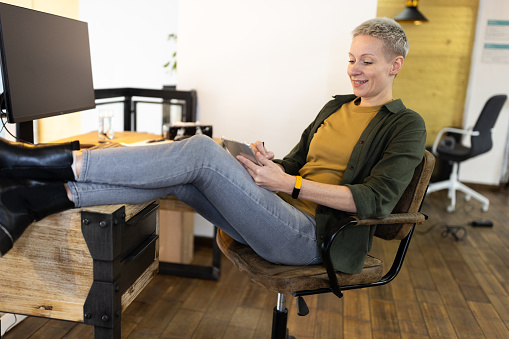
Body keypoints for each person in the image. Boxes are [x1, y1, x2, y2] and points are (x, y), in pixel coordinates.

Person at [0, 17, 426, 274]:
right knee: (186, 176)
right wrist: (270, 164)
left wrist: (288, 185)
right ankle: (35, 202)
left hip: (315, 240)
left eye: (366, 62)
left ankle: (39, 162)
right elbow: (299, 163)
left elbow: (374, 202)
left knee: (201, 150)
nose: (354, 69)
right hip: (280, 214)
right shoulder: (335, 106)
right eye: (351, 59)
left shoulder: (406, 125)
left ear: (395, 65)